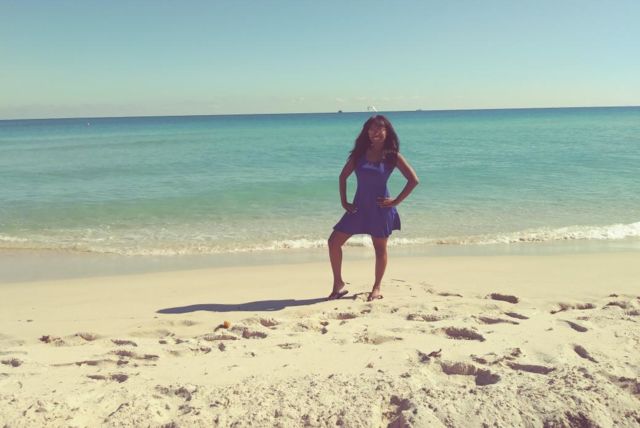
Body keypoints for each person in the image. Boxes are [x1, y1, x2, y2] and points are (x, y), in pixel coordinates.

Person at [327, 115, 419, 302]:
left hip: (380, 209)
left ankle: (376, 287)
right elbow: (342, 177)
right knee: (333, 242)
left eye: (379, 129)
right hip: (358, 208)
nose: (375, 132)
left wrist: (395, 201)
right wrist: (344, 202)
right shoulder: (359, 154)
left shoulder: (392, 156)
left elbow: (413, 180)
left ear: (387, 132)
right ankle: (338, 284)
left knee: (379, 249)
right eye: (371, 129)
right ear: (367, 132)